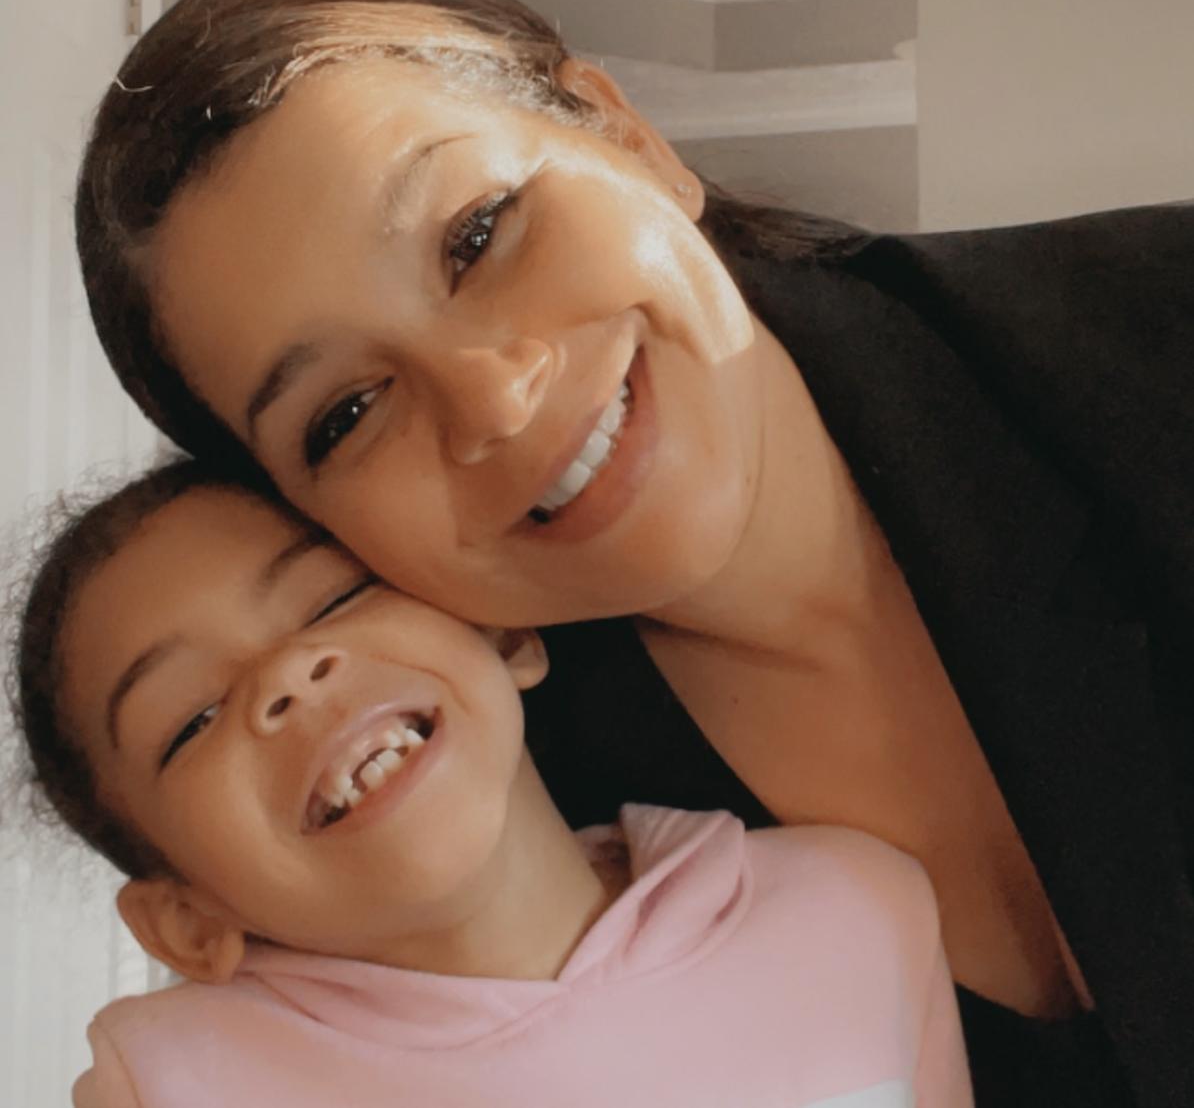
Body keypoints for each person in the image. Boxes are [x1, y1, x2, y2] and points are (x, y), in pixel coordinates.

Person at [73, 0, 1193, 1107]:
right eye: (347, 414)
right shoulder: (479, 814)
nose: (496, 402)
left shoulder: (1157, 339)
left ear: (629, 138)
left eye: (478, 235)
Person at [10, 459, 970, 1107]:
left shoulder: (856, 908)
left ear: (503, 632)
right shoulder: (171, 1082)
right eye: (192, 719)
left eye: (334, 599)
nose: (287, 678)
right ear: (186, 923)